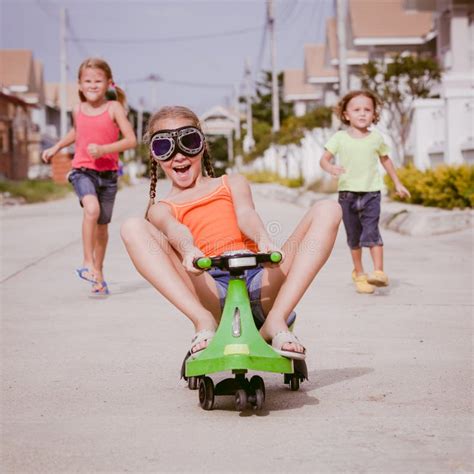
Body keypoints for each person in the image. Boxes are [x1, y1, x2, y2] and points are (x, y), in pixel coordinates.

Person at [120, 105, 341, 360]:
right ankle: (203, 322)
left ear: (202, 145)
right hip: (212, 287)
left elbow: (246, 215)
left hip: (262, 279)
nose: (178, 156)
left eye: (187, 142)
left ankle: (276, 321)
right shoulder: (161, 208)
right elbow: (175, 230)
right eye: (164, 147)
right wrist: (189, 250)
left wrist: (263, 241)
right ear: (155, 156)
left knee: (328, 209)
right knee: (132, 227)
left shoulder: (232, 182)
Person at [42, 58, 137, 294]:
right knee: (91, 210)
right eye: (87, 81)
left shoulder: (114, 109)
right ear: (79, 84)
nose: (93, 85)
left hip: (108, 175)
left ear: (108, 84)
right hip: (83, 170)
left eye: (98, 80)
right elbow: (77, 131)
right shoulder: (78, 109)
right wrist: (56, 147)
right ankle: (87, 262)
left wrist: (105, 149)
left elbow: (131, 140)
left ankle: (99, 272)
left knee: (102, 228)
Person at [320, 90, 410, 294]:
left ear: (374, 114)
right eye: (357, 109)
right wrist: (331, 168)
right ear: (346, 114)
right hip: (347, 195)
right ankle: (359, 273)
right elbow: (324, 159)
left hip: (371, 194)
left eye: (367, 110)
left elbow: (386, 159)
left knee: (372, 232)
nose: (362, 113)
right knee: (354, 237)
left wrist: (397, 183)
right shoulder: (339, 137)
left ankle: (378, 272)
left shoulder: (376, 138)